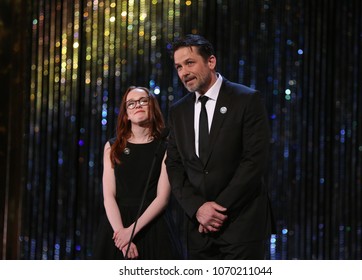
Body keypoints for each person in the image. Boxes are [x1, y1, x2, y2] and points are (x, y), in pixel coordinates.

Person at [165, 34, 274, 259]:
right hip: (199, 230)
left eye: (189, 63)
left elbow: (254, 162)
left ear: (211, 62)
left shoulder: (246, 99)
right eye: (178, 67)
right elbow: (174, 166)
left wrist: (216, 210)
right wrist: (198, 209)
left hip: (242, 224)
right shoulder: (178, 111)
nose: (183, 72)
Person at [93, 86, 179, 259]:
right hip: (117, 224)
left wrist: (131, 232)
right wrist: (121, 235)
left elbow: (162, 198)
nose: (137, 105)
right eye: (131, 104)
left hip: (153, 225)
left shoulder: (166, 146)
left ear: (152, 106)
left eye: (142, 101)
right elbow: (109, 195)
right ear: (126, 113)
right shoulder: (113, 147)